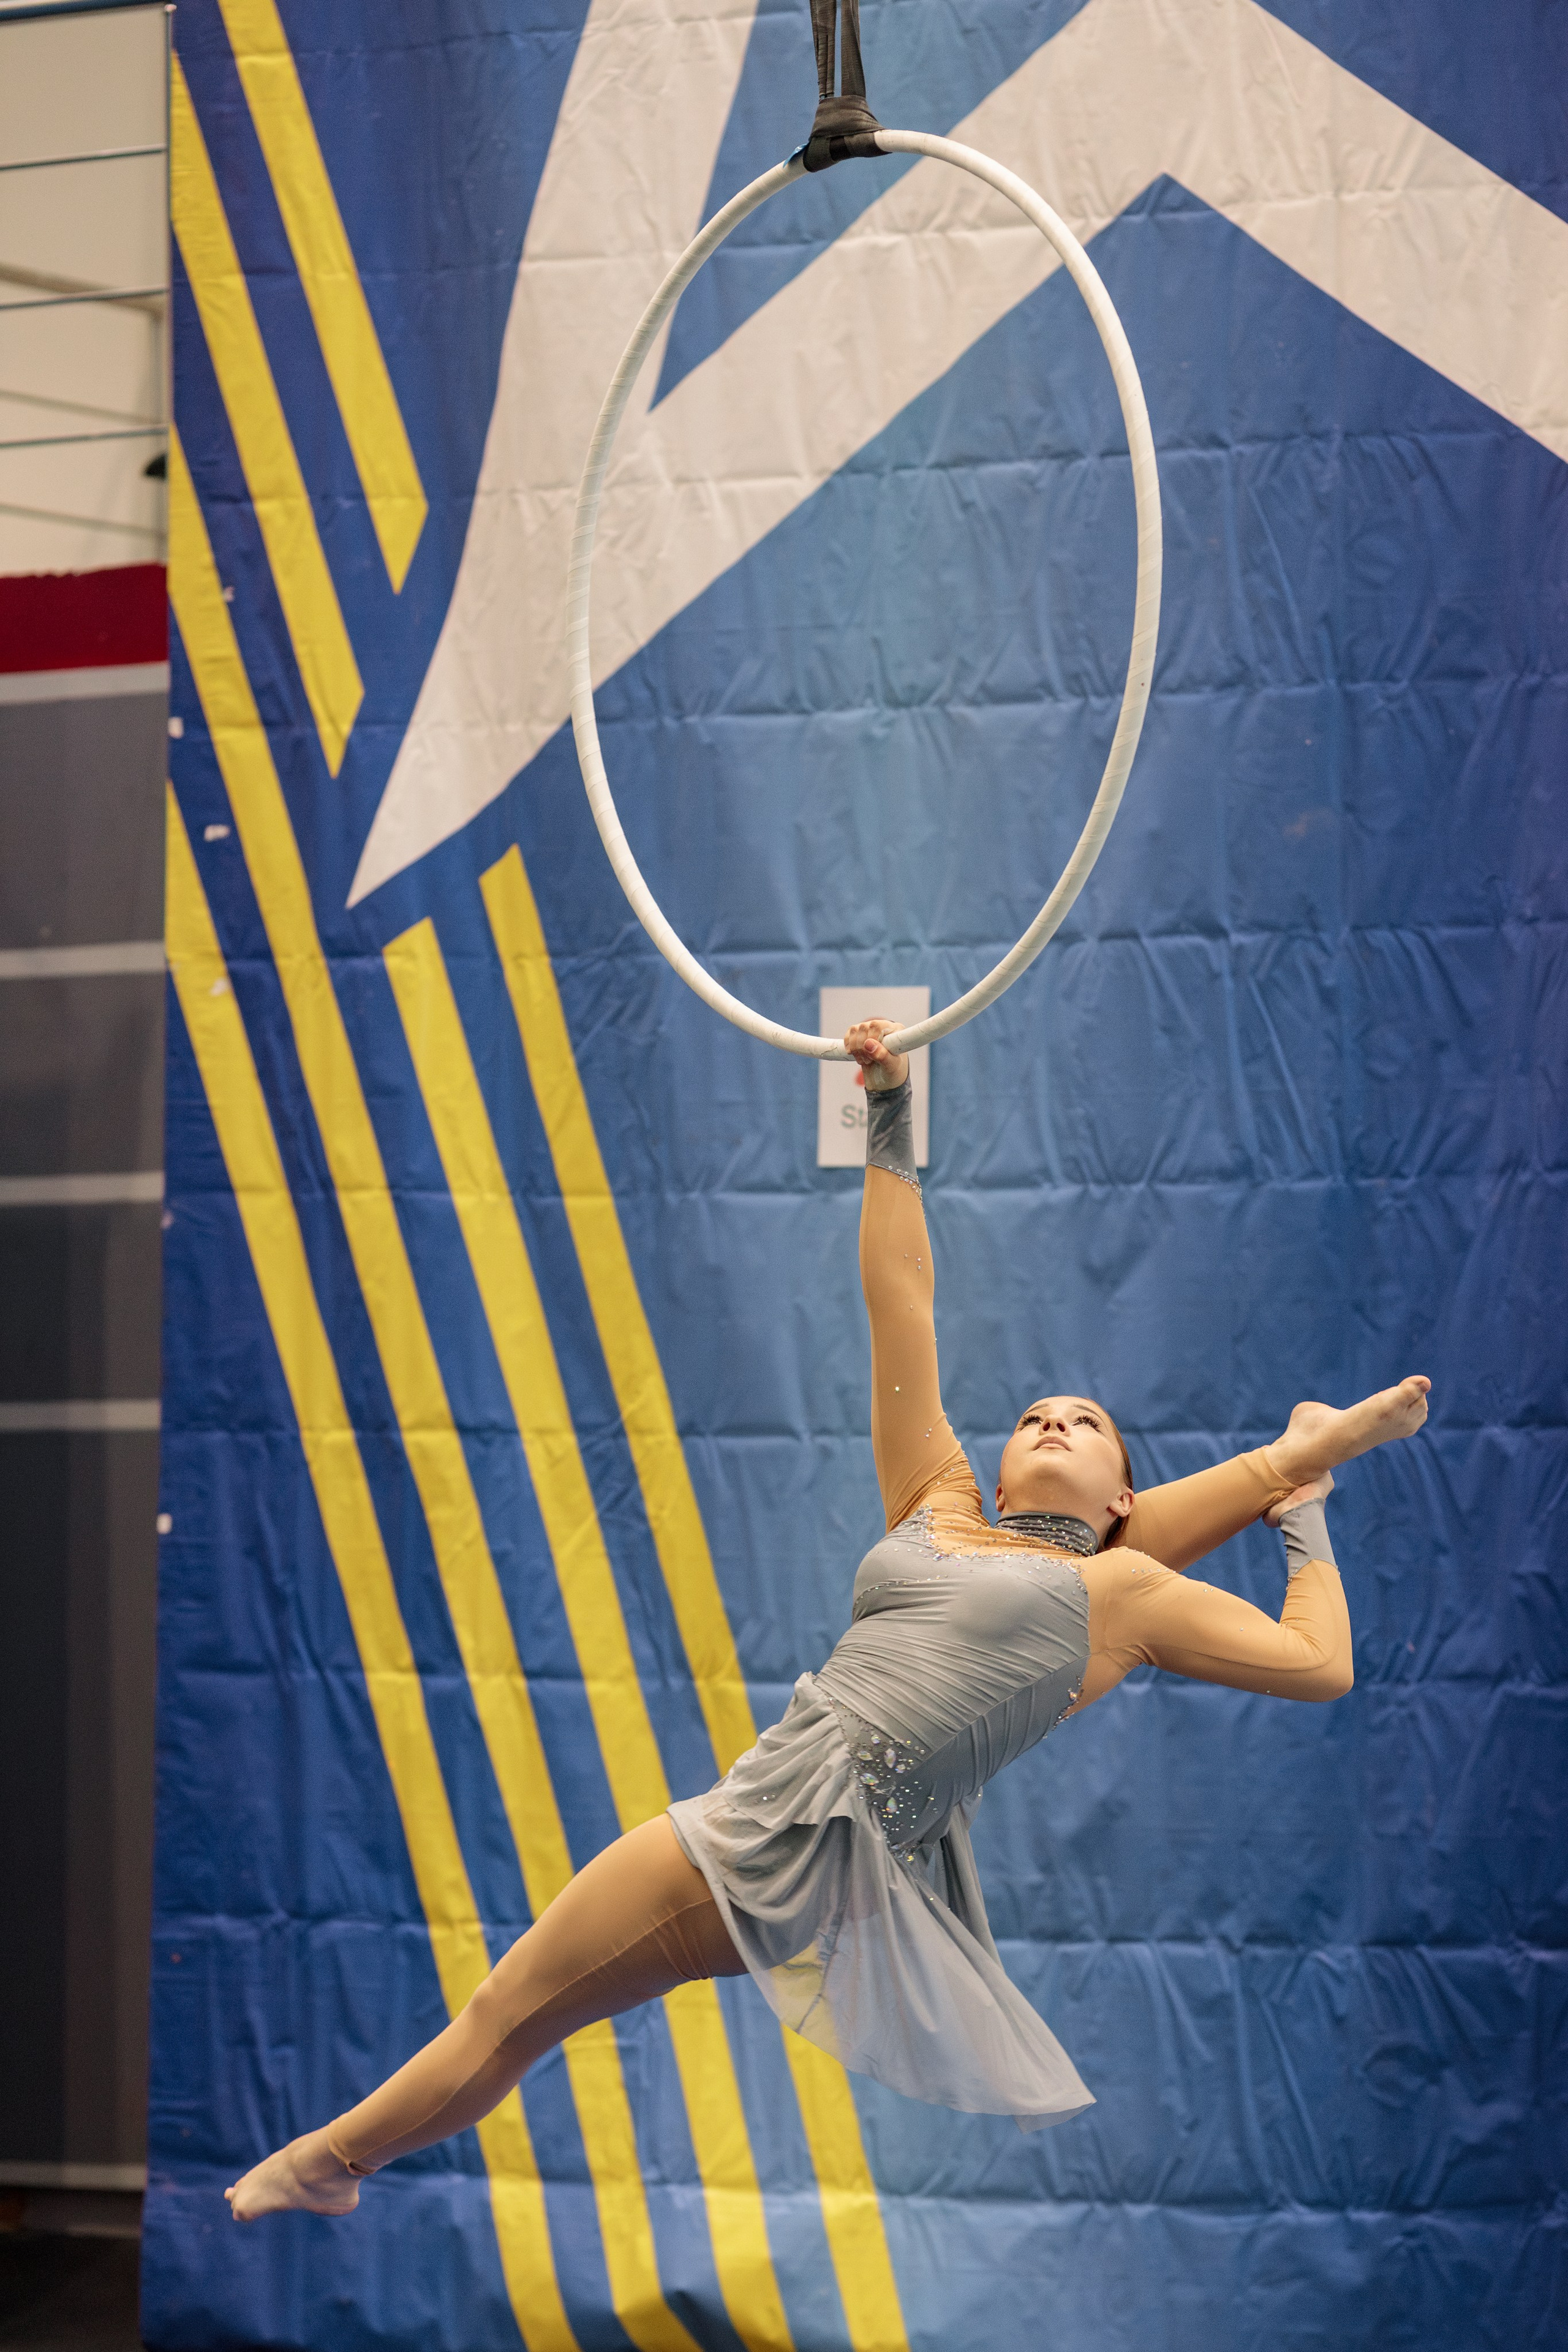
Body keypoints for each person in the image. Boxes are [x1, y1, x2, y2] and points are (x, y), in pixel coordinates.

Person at [227, 1018, 1430, 2216]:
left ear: (1124, 1489)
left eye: (1085, 1420)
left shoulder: (1121, 1590)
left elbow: (1315, 1665)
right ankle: (342, 2166)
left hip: (808, 1840)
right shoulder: (938, 1499)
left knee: (513, 2010)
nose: (1052, 1420)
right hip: (766, 1809)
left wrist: (1299, 1509)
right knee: (516, 2015)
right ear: (1001, 1466)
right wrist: (890, 1113)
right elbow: (900, 1298)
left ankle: (332, 2161)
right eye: (1032, 1416)